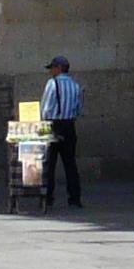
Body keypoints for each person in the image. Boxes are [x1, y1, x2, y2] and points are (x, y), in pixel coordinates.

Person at [39, 57, 84, 208]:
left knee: (49, 164)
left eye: (52, 68)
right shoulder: (75, 86)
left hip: (54, 124)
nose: (51, 71)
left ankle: (48, 197)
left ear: (59, 68)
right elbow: (78, 109)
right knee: (70, 163)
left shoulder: (53, 83)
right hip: (69, 125)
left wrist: (43, 125)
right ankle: (75, 198)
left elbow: (45, 108)